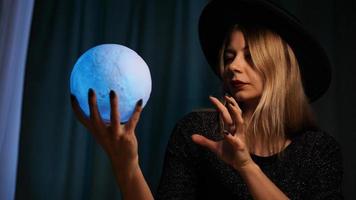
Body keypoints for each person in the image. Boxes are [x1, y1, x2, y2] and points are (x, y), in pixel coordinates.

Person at [70, 0, 343, 199]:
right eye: (229, 57)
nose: (233, 66)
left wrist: (245, 166)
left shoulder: (318, 150)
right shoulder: (198, 132)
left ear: (282, 67)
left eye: (249, 56)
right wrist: (126, 165)